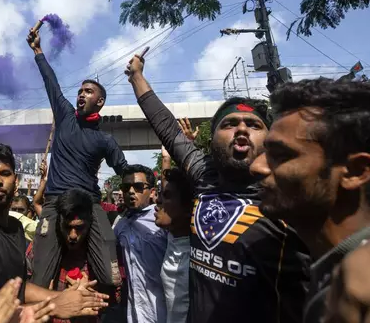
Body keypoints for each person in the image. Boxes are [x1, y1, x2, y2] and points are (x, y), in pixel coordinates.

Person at [125, 56, 309, 323]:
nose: (242, 129)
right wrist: (137, 77)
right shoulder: (204, 177)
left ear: (269, 140)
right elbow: (166, 126)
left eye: (254, 124)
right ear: (211, 140)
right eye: (230, 123)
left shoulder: (291, 199)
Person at [249, 78, 370, 322]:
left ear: (356, 171)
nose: (256, 167)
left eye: (280, 155)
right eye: (264, 153)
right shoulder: (326, 270)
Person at [0, 144, 109, 323]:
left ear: (16, 181)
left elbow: (20, 289)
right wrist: (54, 306)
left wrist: (65, 296)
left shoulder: (16, 228)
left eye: (5, 173)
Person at [27, 28, 126, 289]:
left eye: (88, 91)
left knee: (110, 278)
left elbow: (125, 172)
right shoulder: (65, 116)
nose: (81, 94)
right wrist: (38, 51)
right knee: (38, 280)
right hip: (54, 203)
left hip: (89, 204)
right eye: (80, 91)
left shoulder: (106, 141)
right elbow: (51, 82)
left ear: (100, 101)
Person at [27, 188, 120, 323]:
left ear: (90, 224)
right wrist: (56, 299)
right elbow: (20, 292)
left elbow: (115, 299)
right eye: (67, 227)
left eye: (79, 228)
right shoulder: (40, 250)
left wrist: (88, 297)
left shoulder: (102, 255)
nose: (72, 235)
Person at [114, 164, 168, 323]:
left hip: (164, 313)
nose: (131, 191)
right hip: (134, 314)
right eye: (126, 187)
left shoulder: (163, 219)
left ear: (152, 192)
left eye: (138, 187)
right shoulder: (121, 225)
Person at [154, 168, 192, 323]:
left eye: (167, 196)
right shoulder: (171, 236)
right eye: (160, 194)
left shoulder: (200, 253)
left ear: (188, 207)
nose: (157, 200)